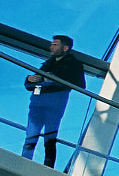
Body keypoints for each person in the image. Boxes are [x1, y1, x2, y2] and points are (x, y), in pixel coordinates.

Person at [21, 35, 79, 168]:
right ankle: (24, 163)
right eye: (52, 44)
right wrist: (30, 79)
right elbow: (32, 84)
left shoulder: (72, 65)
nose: (51, 47)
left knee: (49, 140)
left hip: (54, 107)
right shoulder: (48, 63)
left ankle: (47, 168)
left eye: (55, 45)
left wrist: (53, 80)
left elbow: (78, 84)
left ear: (65, 48)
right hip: (37, 105)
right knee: (31, 137)